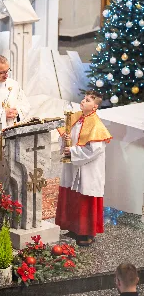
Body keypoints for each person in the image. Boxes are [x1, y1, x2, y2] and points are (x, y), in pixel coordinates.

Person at [55, 90, 112, 246]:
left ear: (94, 107)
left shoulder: (96, 124)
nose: (83, 101)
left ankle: (87, 233)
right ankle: (74, 227)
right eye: (84, 99)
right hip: (74, 164)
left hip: (88, 168)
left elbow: (95, 150)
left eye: (87, 100)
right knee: (73, 195)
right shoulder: (76, 118)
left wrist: (72, 151)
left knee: (86, 198)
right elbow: (71, 136)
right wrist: (66, 140)